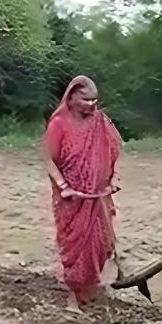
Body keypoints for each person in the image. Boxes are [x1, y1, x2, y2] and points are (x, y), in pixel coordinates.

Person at [42, 75, 123, 310]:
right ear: (72, 97)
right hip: (72, 200)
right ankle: (73, 297)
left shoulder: (101, 122)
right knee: (75, 250)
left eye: (95, 100)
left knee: (102, 244)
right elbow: (49, 159)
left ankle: (89, 288)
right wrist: (62, 186)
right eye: (86, 99)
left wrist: (115, 178)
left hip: (99, 198)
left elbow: (117, 151)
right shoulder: (59, 124)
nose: (92, 104)